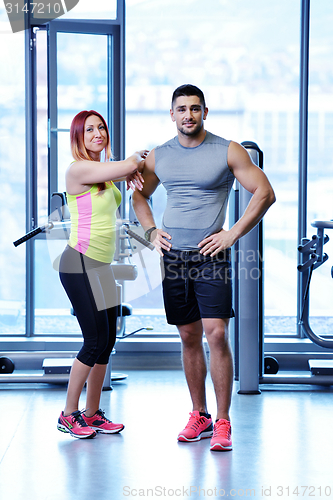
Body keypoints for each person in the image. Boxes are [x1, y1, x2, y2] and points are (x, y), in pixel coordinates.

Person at [132, 84, 275, 451]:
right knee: (188, 337)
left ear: (205, 112)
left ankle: (224, 420)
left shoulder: (227, 150)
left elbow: (264, 192)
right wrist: (150, 231)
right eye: (181, 109)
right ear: (172, 114)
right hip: (174, 257)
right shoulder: (159, 156)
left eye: (195, 108)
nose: (188, 115)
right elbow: (139, 195)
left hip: (211, 256)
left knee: (216, 334)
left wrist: (232, 234)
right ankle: (200, 414)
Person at [57, 110, 147, 439]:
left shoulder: (105, 175)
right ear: (78, 138)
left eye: (102, 127)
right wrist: (135, 162)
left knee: (107, 341)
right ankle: (69, 414)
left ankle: (92, 413)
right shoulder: (78, 169)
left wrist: (129, 173)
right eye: (90, 129)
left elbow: (123, 172)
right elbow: (128, 164)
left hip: (102, 265)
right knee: (93, 340)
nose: (98, 133)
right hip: (79, 263)